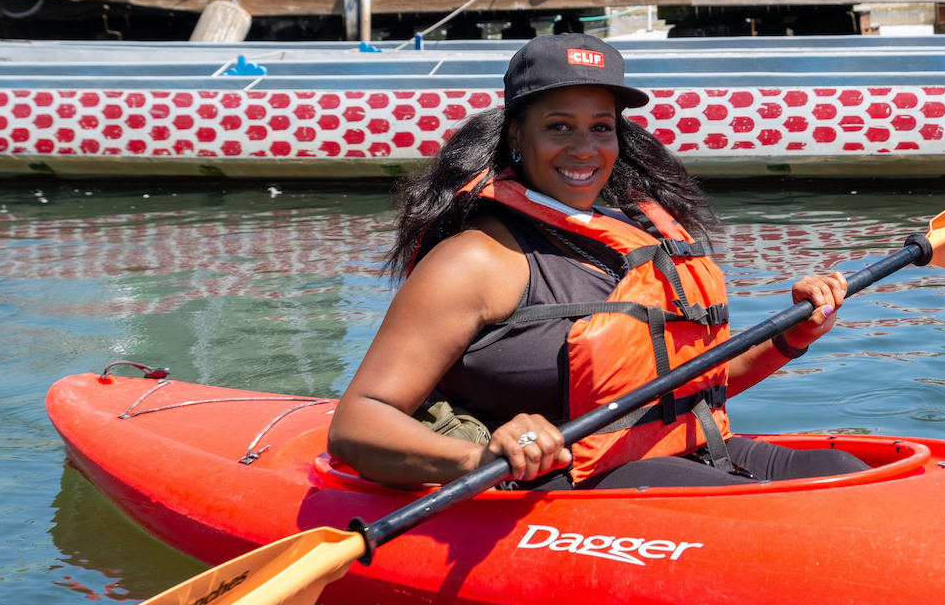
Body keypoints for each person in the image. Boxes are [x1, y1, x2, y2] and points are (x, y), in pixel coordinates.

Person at [328, 33, 864, 490]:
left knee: (845, 469)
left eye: (600, 127)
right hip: (564, 487)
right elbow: (356, 425)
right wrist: (482, 459)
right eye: (559, 126)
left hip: (678, 452)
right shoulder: (474, 260)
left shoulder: (633, 238)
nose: (585, 149)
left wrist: (794, 335)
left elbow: (685, 386)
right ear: (516, 135)